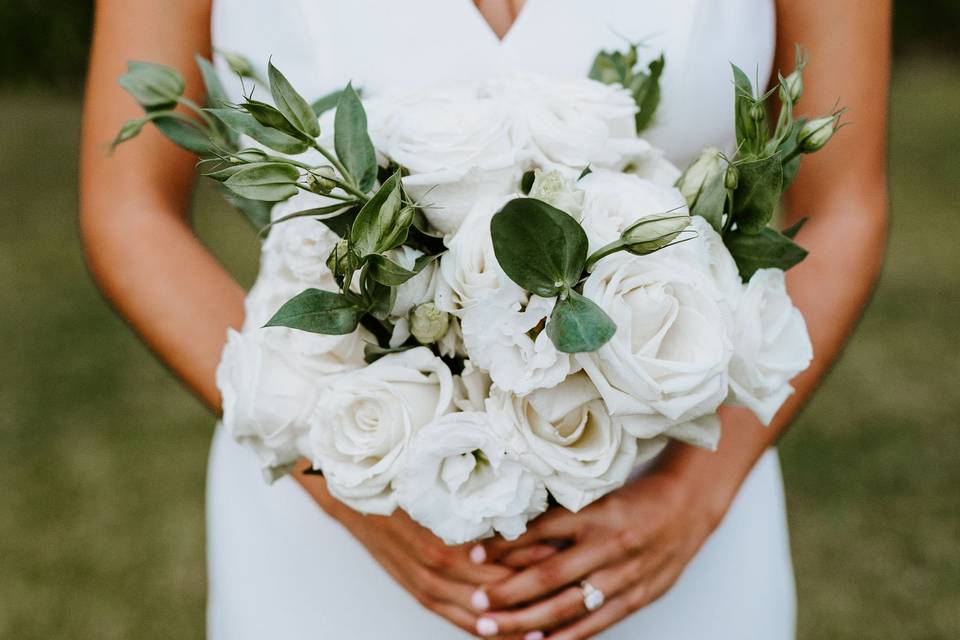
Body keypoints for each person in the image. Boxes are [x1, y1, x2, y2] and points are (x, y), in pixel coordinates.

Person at [79, 0, 890, 638]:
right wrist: (331, 473)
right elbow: (127, 205)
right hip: (338, 529)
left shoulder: (691, 506)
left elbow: (844, 203)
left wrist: (695, 496)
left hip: (676, 535)